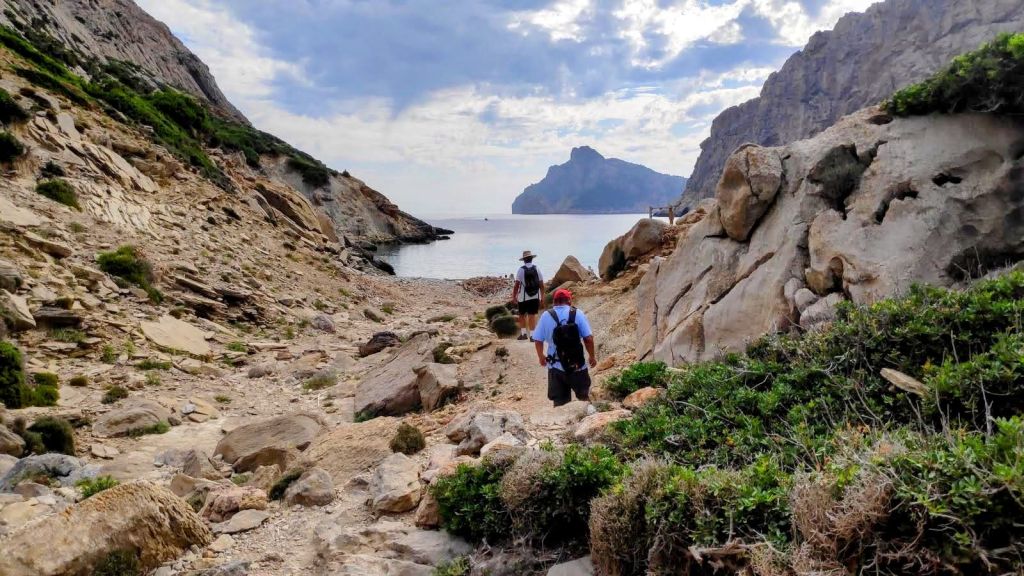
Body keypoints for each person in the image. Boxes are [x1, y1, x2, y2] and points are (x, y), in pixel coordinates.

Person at [532, 289, 597, 407]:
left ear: (554, 302)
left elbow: (538, 340)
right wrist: (592, 356)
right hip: (577, 366)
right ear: (569, 300)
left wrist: (541, 357)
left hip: (555, 367)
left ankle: (563, 423)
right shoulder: (578, 313)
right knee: (584, 399)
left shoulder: (546, 315)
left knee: (560, 404)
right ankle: (588, 421)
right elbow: (588, 339)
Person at [510, 250, 544, 341]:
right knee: (532, 315)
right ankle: (532, 336)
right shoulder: (537, 268)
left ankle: (524, 334)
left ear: (524, 260)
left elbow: (517, 285)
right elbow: (541, 284)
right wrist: (542, 296)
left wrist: (514, 297)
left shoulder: (521, 270)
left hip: (523, 297)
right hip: (535, 296)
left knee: (521, 314)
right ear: (532, 259)